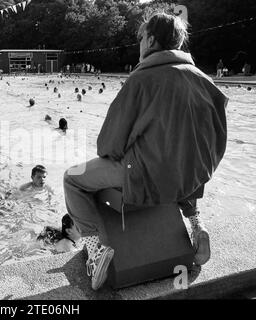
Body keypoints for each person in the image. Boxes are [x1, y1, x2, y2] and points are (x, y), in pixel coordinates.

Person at [63, 12, 228, 290]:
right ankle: (197, 227)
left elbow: (108, 145)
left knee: (72, 178)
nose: (139, 43)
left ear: (151, 39)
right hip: (191, 177)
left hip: (144, 177)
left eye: (140, 37)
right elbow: (216, 140)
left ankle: (95, 249)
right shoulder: (204, 80)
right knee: (182, 157)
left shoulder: (143, 79)